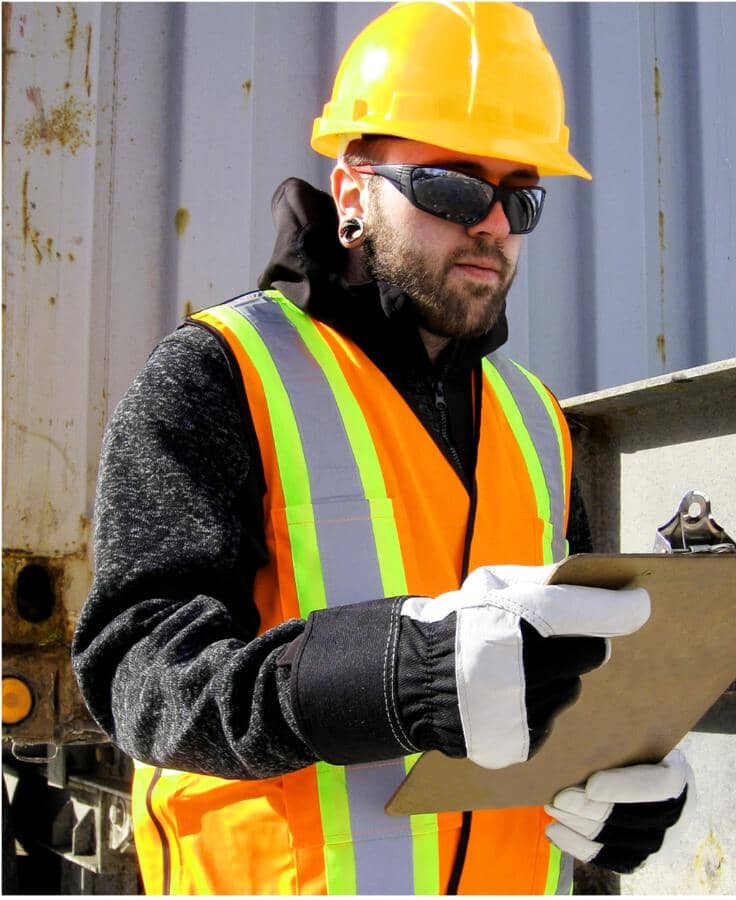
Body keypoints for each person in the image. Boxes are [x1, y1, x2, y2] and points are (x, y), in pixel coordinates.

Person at [72, 2, 693, 894]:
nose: (492, 224)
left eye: (519, 196)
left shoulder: (537, 420)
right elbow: (136, 675)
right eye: (454, 187)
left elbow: (567, 676)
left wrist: (617, 780)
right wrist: (394, 676)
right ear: (353, 193)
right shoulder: (221, 373)